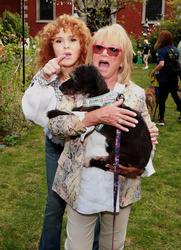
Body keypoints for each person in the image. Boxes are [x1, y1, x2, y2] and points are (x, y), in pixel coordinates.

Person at [48, 23, 159, 250]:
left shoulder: (135, 94)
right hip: (81, 184)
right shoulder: (76, 89)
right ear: (92, 54)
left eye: (113, 50)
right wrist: (94, 117)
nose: (104, 53)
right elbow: (56, 126)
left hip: (120, 183)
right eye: (98, 48)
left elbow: (147, 140)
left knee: (113, 246)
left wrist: (139, 166)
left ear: (123, 59)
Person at [21, 14, 101, 250]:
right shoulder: (47, 77)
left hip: (88, 150)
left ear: (83, 45)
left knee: (91, 203)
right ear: (50, 47)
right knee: (54, 206)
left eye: (73, 39)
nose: (66, 45)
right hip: (56, 149)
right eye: (58, 40)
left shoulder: (93, 75)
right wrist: (45, 77)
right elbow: (32, 111)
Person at [151, 31, 181, 125]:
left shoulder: (161, 50)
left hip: (164, 78)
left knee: (162, 98)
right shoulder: (175, 49)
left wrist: (153, 71)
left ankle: (161, 120)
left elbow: (161, 64)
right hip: (174, 76)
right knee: (175, 95)